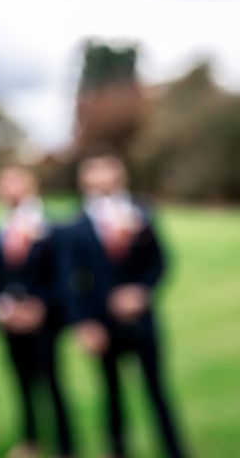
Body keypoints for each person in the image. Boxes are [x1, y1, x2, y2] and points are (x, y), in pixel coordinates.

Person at [66, 152, 185, 458]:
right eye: (94, 172)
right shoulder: (76, 225)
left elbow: (160, 261)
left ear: (120, 175)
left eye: (107, 170)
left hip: (143, 322)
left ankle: (174, 450)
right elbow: (72, 279)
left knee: (157, 392)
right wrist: (85, 323)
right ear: (84, 179)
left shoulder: (141, 212)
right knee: (111, 395)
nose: (101, 178)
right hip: (103, 324)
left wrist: (142, 291)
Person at [0, 165, 74, 457]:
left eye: (16, 181)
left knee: (52, 383)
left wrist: (41, 307)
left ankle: (65, 444)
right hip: (10, 323)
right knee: (20, 384)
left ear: (31, 186)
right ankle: (30, 439)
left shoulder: (49, 227)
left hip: (44, 323)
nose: (10, 188)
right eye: (4, 182)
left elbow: (62, 275)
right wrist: (2, 308)